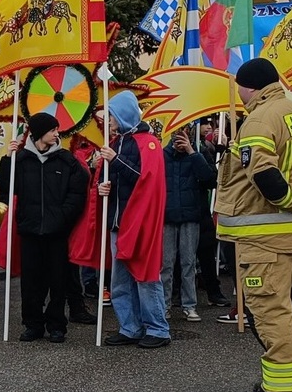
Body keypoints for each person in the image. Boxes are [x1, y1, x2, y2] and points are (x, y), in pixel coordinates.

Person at [214, 57, 292, 392]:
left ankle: (282, 389)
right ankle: (285, 380)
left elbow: (263, 174)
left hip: (266, 235)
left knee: (269, 310)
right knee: (279, 308)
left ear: (247, 86)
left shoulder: (259, 119)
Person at [71, 92, 168, 348]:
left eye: (111, 115)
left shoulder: (148, 143)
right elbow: (116, 181)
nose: (108, 120)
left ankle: (158, 329)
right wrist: (104, 189)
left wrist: (116, 161)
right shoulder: (114, 143)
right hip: (117, 222)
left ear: (123, 115)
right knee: (121, 280)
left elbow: (145, 179)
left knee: (145, 276)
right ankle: (130, 327)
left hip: (139, 223)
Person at [0, 112, 87, 342]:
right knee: (31, 282)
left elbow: (78, 193)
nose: (57, 133)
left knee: (58, 280)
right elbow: (6, 186)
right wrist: (8, 157)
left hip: (57, 231)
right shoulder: (22, 159)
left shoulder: (66, 160)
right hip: (30, 230)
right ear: (39, 133)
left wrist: (62, 217)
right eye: (52, 130)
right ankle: (32, 324)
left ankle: (57, 325)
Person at [162, 122, 217, 322]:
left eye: (185, 132)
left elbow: (211, 180)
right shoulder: (162, 155)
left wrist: (193, 153)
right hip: (167, 216)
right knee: (166, 264)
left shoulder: (198, 154)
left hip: (191, 216)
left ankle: (189, 305)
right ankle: (164, 305)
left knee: (188, 262)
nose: (181, 137)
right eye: (177, 133)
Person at [193, 118, 233, 309]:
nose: (208, 127)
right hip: (177, 209)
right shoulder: (169, 148)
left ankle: (213, 291)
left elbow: (212, 178)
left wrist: (222, 148)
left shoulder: (203, 147)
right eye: (203, 123)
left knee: (207, 249)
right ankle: (179, 292)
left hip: (199, 207)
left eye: (210, 123)